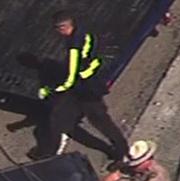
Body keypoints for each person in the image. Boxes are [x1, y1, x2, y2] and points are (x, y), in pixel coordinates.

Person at [30, 10, 129, 162]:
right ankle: (49, 154)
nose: (56, 32)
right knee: (58, 118)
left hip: (85, 89)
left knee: (101, 121)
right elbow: (95, 59)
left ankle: (122, 152)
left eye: (57, 28)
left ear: (63, 27)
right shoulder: (85, 34)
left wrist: (54, 89)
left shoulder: (74, 45)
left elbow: (72, 73)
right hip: (87, 84)